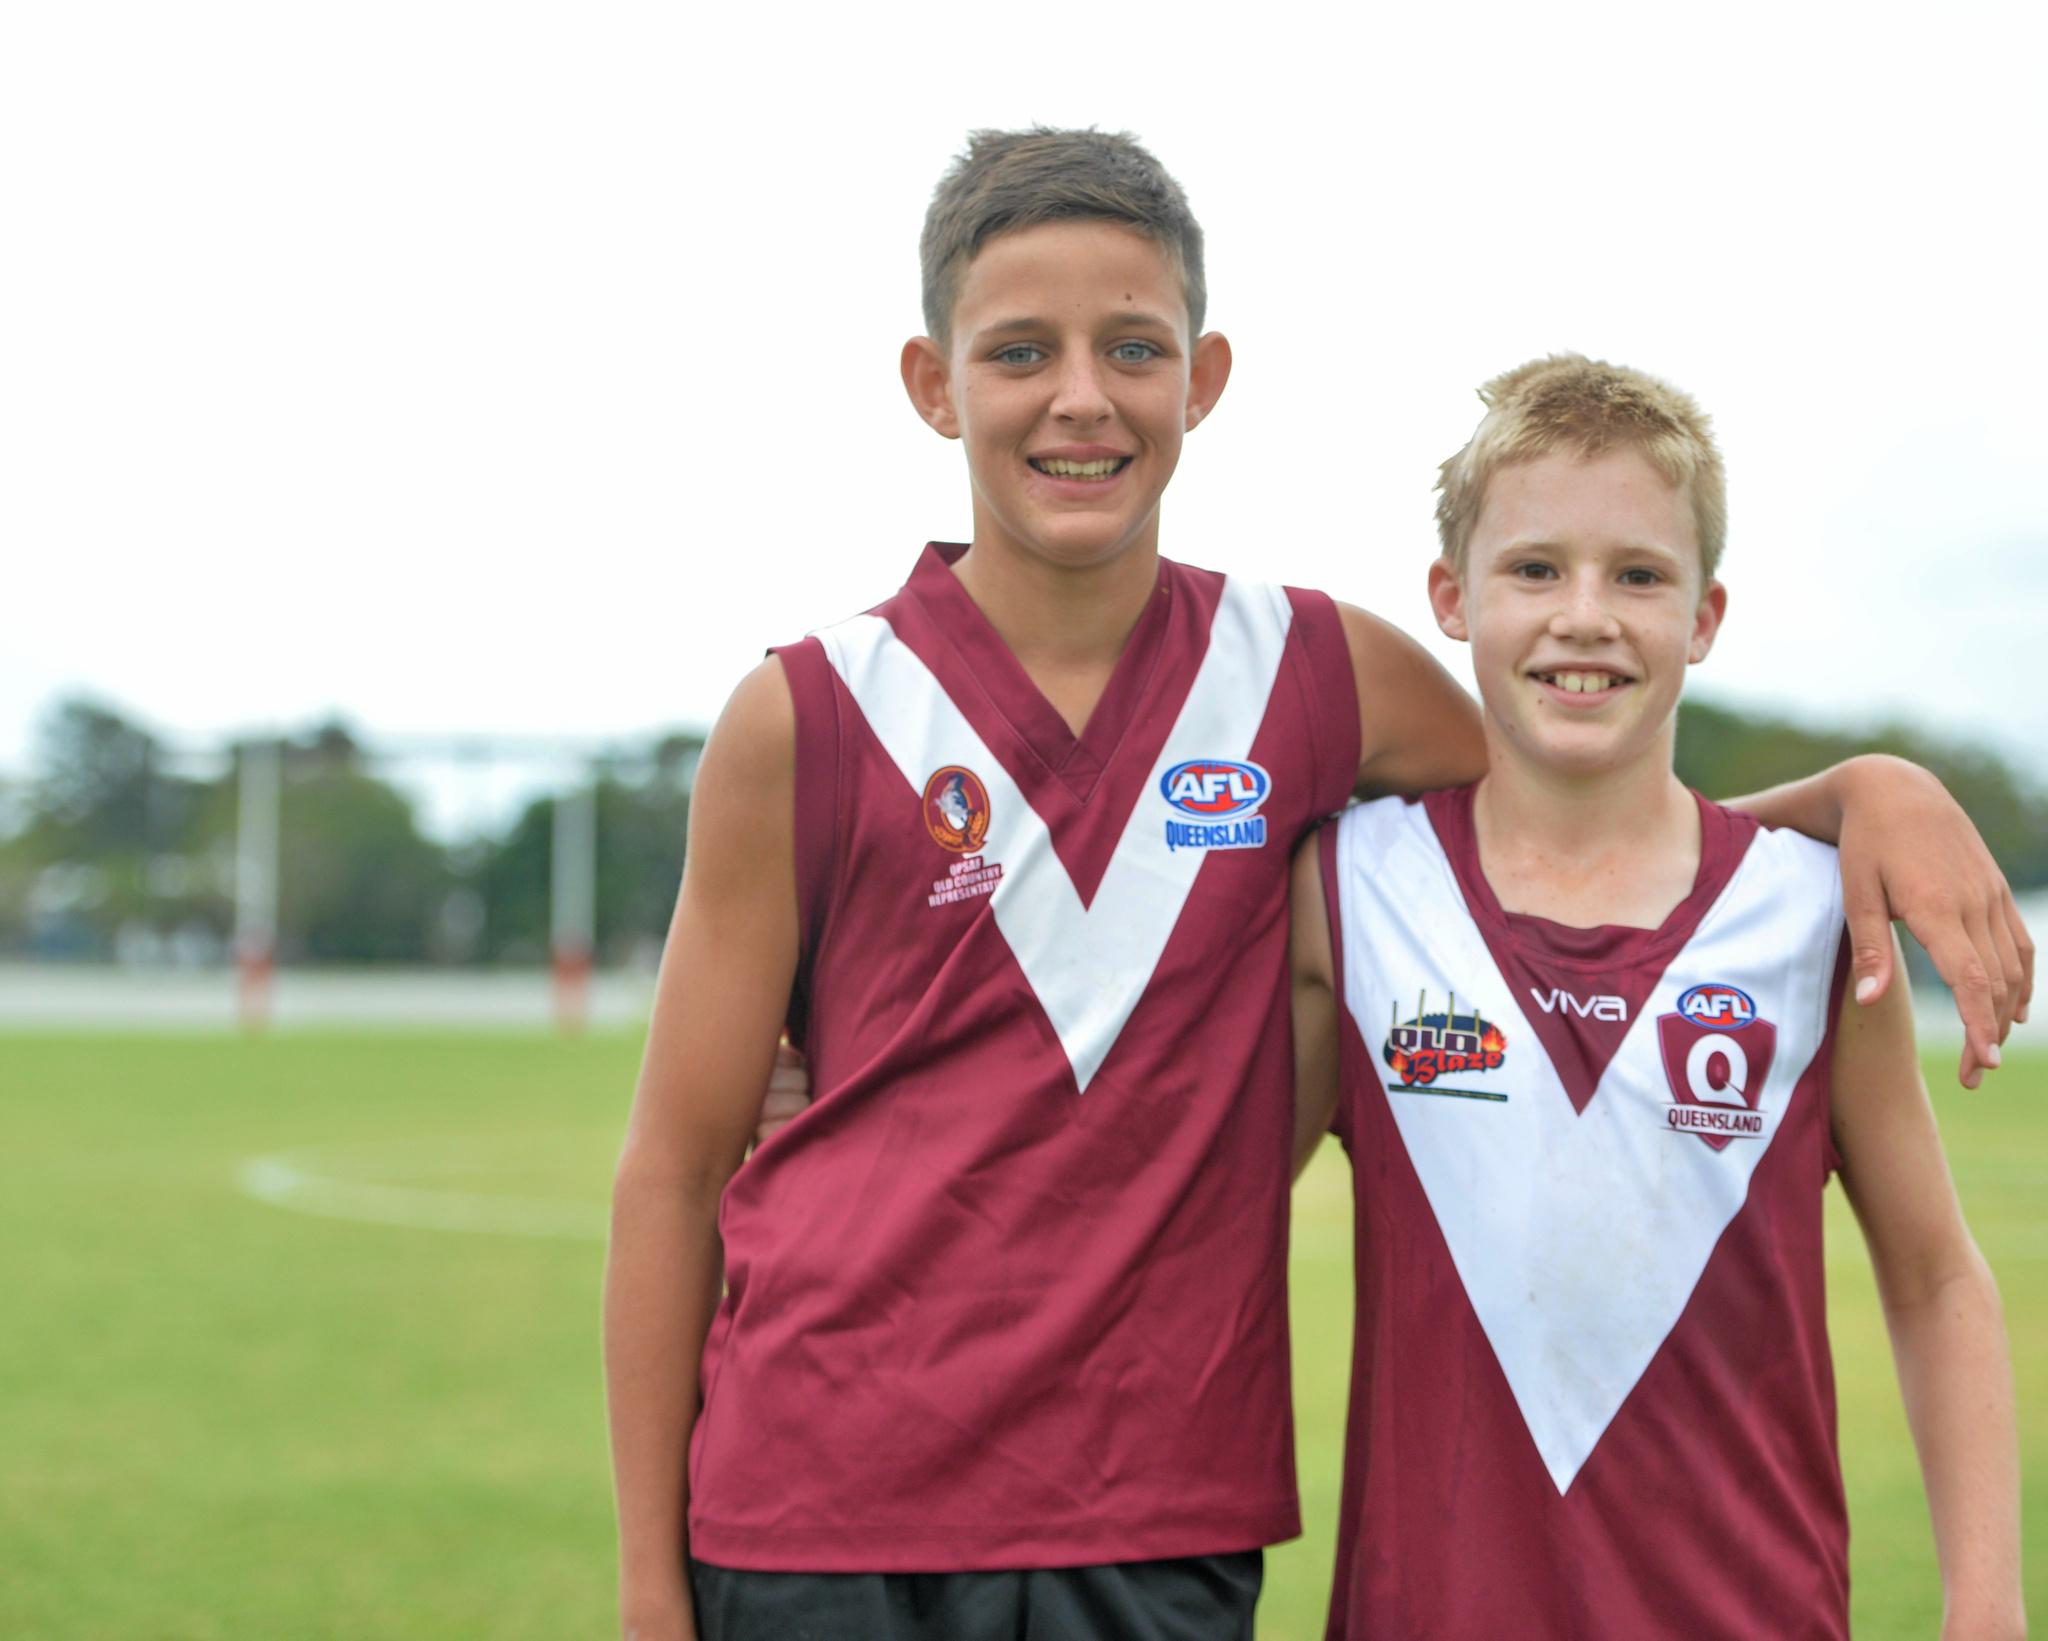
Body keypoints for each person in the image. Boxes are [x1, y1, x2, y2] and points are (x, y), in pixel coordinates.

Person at [605, 128, 2029, 1641]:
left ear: (1203, 379)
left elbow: (1580, 810)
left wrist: (1857, 793)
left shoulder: (1314, 675)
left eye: (1131, 348)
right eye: (1022, 350)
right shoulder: (808, 712)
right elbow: (673, 1170)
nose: (1080, 395)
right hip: (819, 1501)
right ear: (934, 382)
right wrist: (646, 1588)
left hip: (1149, 1512)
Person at [1290, 355, 2025, 1639]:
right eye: (1534, 570)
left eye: (1637, 574)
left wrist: (1985, 1605)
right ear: (1450, 599)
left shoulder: (1807, 917)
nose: (1585, 615)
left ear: (1703, 617)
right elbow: (1168, 1189)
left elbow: (1933, 1278)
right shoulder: (1348, 889)